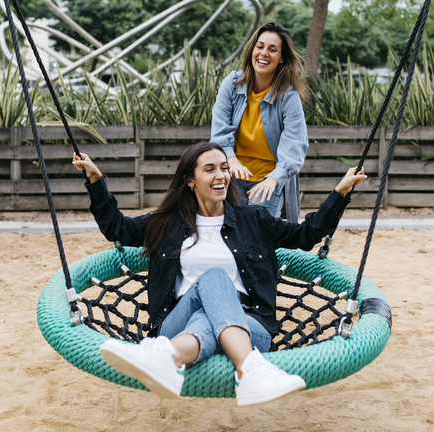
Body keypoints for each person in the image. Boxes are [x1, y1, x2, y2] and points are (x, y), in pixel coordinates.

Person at [72, 142, 366, 406]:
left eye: (224, 168)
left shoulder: (254, 219)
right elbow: (117, 228)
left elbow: (307, 234)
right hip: (178, 320)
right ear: (190, 181)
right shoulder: (166, 224)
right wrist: (96, 181)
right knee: (212, 280)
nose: (221, 175)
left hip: (251, 326)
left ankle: (168, 356)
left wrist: (340, 193)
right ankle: (250, 369)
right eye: (209, 169)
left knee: (208, 313)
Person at [211, 22, 309, 223]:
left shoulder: (288, 96)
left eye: (273, 50)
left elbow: (295, 144)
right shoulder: (231, 84)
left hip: (268, 181)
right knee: (229, 235)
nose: (264, 53)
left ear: (281, 58)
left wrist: (273, 179)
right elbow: (219, 133)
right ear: (252, 50)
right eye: (260, 46)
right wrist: (231, 159)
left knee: (259, 239)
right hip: (233, 177)